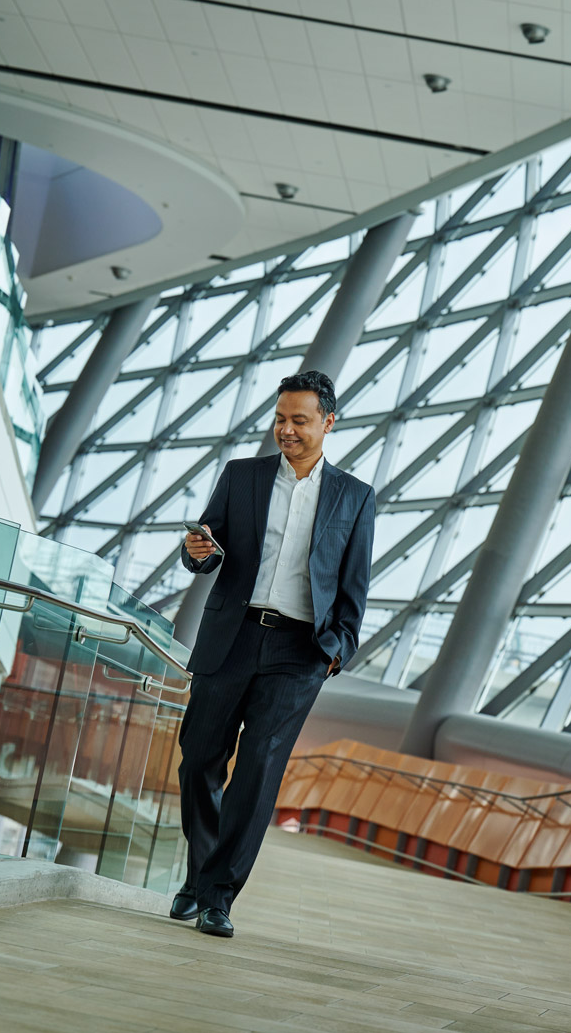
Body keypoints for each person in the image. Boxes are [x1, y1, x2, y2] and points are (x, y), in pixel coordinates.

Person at [171, 369, 375, 937]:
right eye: (281, 418)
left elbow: (355, 586)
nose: (286, 429)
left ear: (328, 422)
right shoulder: (242, 476)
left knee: (258, 772)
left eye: (299, 421)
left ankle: (217, 896)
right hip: (230, 636)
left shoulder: (355, 498)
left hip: (299, 649)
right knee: (198, 762)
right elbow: (203, 555)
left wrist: (336, 652)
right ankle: (200, 872)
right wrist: (197, 551)